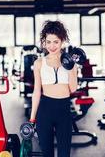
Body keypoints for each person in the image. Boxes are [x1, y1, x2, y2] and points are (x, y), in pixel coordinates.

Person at [29, 20, 78, 157]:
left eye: (55, 41)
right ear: (44, 42)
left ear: (62, 41)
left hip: (64, 111)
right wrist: (32, 118)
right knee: (47, 153)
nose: (52, 46)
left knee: (64, 154)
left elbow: (73, 89)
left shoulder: (71, 63)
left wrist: (70, 67)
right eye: (48, 42)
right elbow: (37, 92)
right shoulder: (39, 63)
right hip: (45, 111)